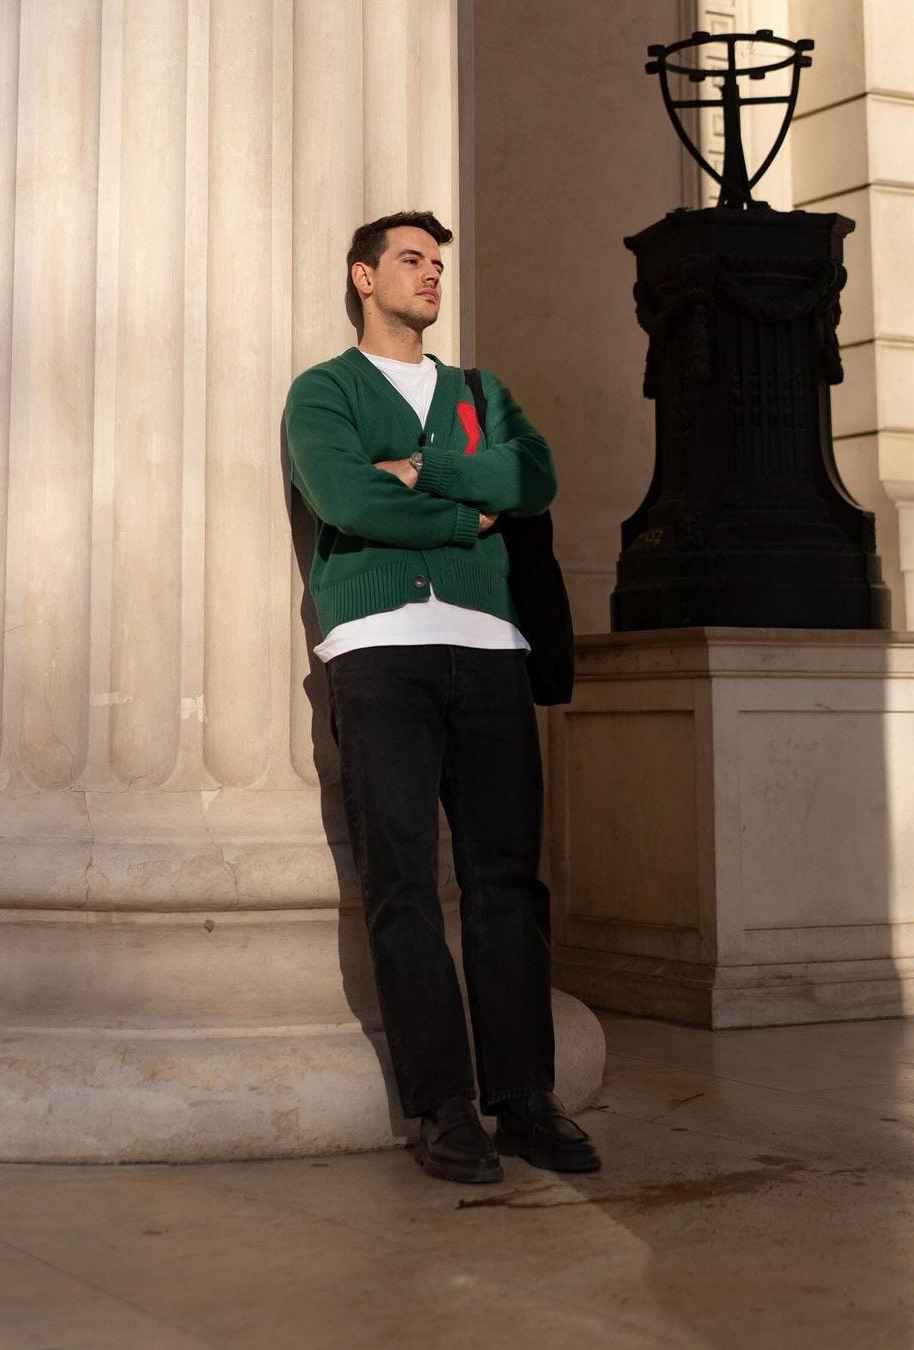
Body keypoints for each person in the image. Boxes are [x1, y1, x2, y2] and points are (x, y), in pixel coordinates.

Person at [285, 210, 600, 1185]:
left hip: (492, 648)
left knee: (510, 881)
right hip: (378, 653)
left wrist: (429, 470)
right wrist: (476, 515)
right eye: (411, 261)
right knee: (404, 882)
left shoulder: (477, 391)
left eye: (437, 263)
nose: (430, 276)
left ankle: (524, 1101)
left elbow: (535, 476)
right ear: (364, 277)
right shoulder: (324, 393)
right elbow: (347, 501)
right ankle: (442, 1107)